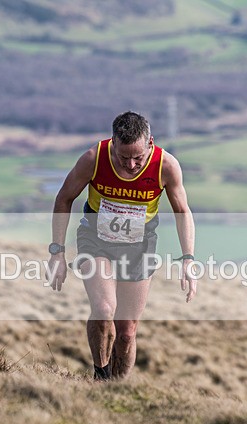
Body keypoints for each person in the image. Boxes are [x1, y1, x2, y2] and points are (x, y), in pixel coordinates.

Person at [48, 111, 196, 380]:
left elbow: (182, 211)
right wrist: (57, 251)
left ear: (150, 143)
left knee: (127, 331)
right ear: (113, 144)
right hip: (96, 239)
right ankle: (100, 377)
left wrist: (188, 259)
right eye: (123, 157)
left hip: (140, 245)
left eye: (137, 158)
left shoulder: (166, 165)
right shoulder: (94, 159)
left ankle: (116, 389)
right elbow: (63, 198)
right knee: (104, 309)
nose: (130, 165)